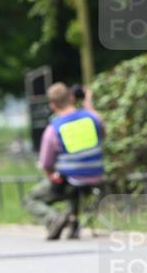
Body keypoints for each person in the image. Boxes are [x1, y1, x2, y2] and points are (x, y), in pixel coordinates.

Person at [24, 82, 105, 240]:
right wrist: (89, 104)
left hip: (71, 180)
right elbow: (102, 135)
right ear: (72, 98)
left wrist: (50, 175)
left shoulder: (54, 128)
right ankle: (73, 221)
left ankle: (53, 219)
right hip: (96, 177)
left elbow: (46, 163)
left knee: (31, 198)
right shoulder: (93, 118)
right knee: (73, 182)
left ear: (53, 106)